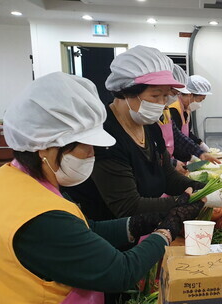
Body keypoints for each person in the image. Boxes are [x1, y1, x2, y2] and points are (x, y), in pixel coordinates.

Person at [0, 72, 204, 304]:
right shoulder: (40, 216)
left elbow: (85, 230)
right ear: (47, 147)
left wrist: (140, 223)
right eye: (87, 147)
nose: (93, 155)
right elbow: (120, 271)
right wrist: (166, 231)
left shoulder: (16, 179)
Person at [64, 45, 205, 221]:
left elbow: (167, 175)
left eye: (165, 96)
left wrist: (202, 187)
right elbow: (128, 206)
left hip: (140, 228)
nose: (161, 103)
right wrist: (184, 200)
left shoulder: (149, 125)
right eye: (155, 96)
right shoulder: (105, 134)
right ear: (127, 91)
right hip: (109, 233)